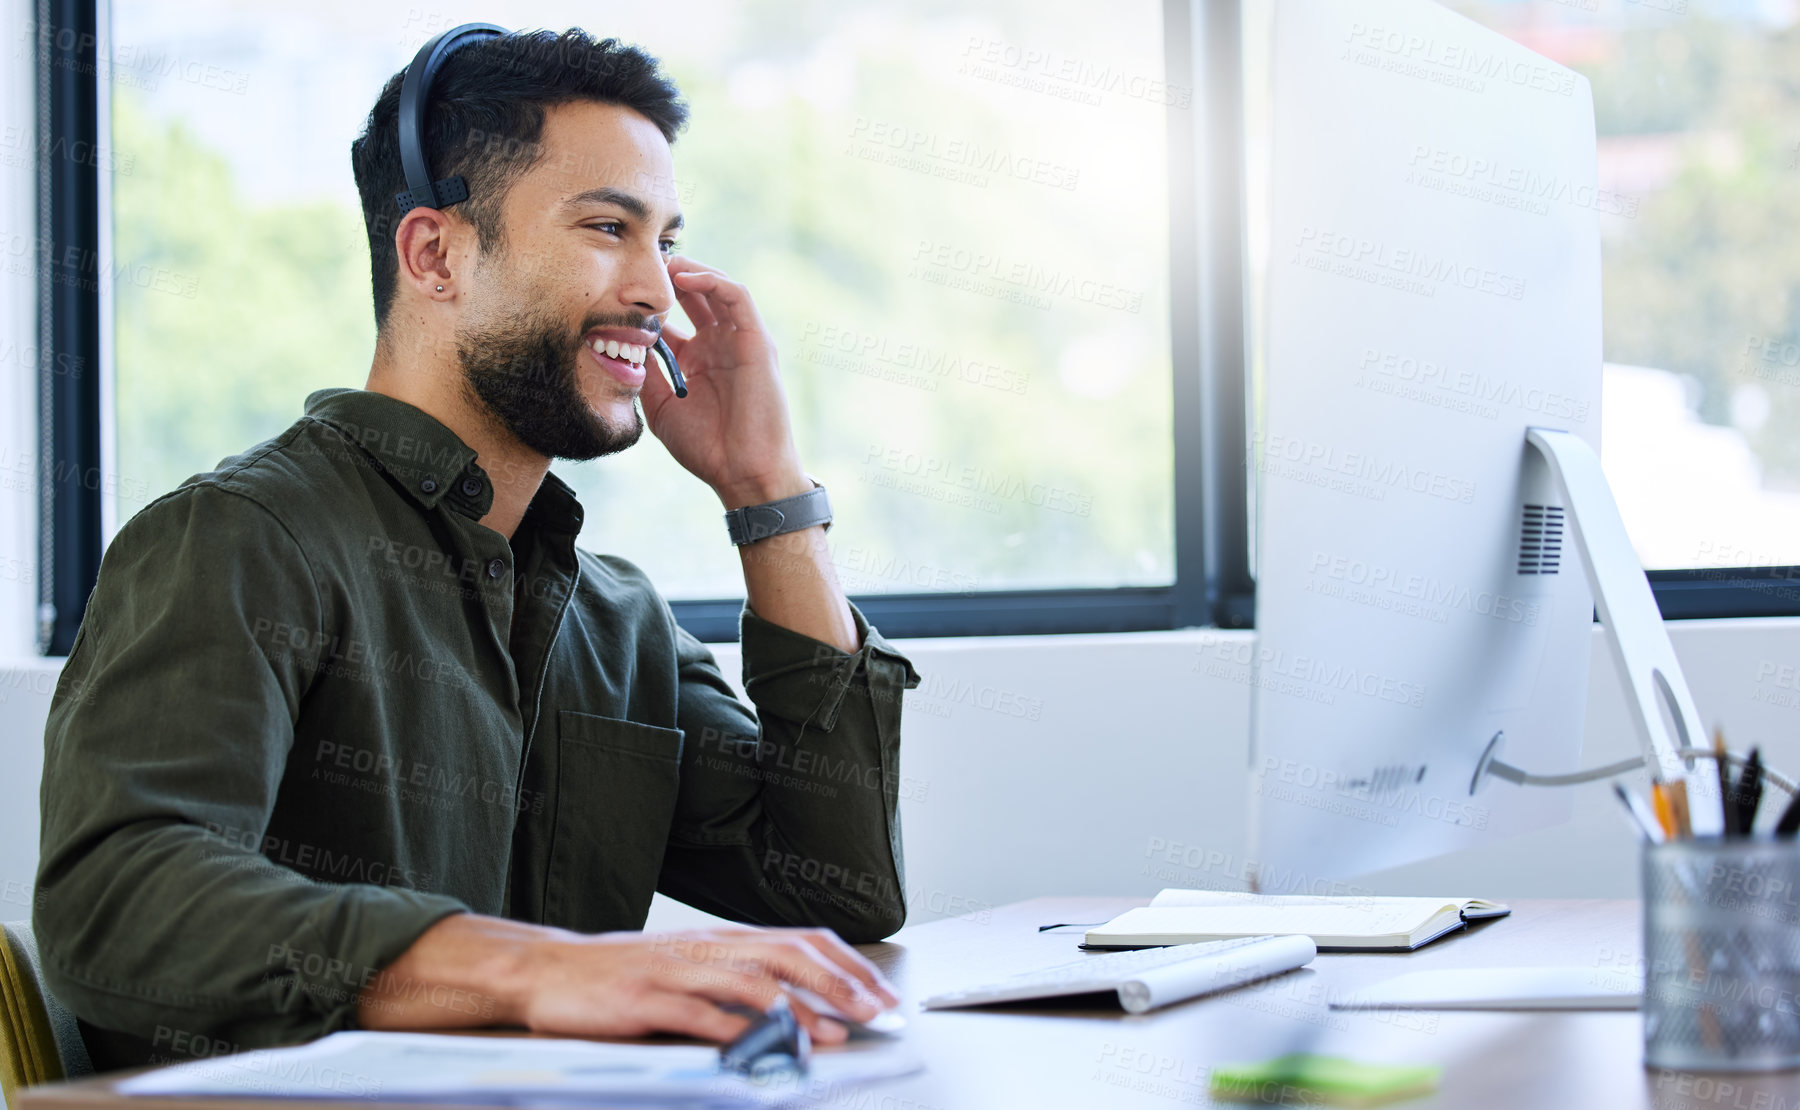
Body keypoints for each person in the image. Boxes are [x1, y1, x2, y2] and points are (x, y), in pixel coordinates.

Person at [35, 27, 920, 1072]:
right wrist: (531, 969)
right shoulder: (242, 539)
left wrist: (768, 494)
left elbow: (841, 892)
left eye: (667, 241)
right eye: (608, 228)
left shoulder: (616, 621)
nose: (661, 291)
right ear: (434, 253)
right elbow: (119, 904)